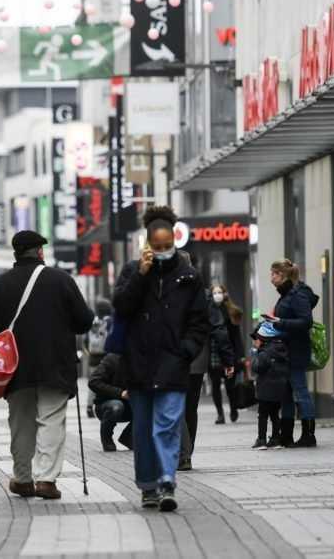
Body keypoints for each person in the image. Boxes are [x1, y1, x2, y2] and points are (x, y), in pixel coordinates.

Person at [0, 230, 94, 500]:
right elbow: (84, 321)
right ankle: (46, 480)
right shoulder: (61, 280)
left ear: (16, 253)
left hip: (15, 368)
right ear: (40, 252)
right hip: (56, 364)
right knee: (51, 419)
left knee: (21, 423)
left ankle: (23, 479)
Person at [112, 206, 210, 512]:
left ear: (175, 240)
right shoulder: (132, 271)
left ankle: (167, 481)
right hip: (139, 364)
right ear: (148, 242)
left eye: (168, 245)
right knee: (143, 430)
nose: (163, 250)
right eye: (158, 245)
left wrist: (186, 351)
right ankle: (148, 487)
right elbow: (121, 307)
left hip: (173, 363)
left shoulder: (188, 276)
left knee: (167, 425)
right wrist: (140, 276)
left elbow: (200, 320)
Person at [178, 271, 235, 471]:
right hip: (197, 359)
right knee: (190, 408)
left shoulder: (165, 289)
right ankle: (187, 453)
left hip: (174, 359)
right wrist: (228, 359)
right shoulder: (203, 295)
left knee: (175, 406)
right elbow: (219, 328)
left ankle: (183, 454)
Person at [262, 259, 320, 448]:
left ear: (283, 275)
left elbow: (306, 321)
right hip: (285, 352)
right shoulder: (286, 295)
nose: (271, 278)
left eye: (274, 274)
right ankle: (286, 435)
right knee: (286, 393)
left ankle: (308, 435)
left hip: (296, 351)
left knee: (300, 391)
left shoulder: (297, 295)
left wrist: (279, 322)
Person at [208, 284, 245, 424]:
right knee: (215, 385)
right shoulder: (208, 311)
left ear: (224, 294)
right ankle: (220, 414)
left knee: (230, 385)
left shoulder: (230, 311)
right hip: (213, 353)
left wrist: (240, 355)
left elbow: (236, 336)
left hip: (229, 353)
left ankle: (233, 408)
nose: (217, 295)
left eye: (219, 292)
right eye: (214, 293)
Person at [250, 322, 289, 449]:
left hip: (265, 389)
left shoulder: (264, 353)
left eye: (257, 339)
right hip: (279, 389)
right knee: (275, 414)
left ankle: (261, 440)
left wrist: (255, 355)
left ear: (264, 339)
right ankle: (276, 439)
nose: (255, 341)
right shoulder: (282, 349)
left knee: (263, 415)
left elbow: (257, 367)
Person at [88, 352, 133, 452]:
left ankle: (128, 437)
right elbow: (93, 381)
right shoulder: (112, 358)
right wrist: (120, 393)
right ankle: (107, 438)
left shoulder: (141, 360)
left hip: (130, 405)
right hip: (106, 405)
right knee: (116, 406)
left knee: (149, 407)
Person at [85, 299, 112, 418]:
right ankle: (104, 404)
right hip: (105, 356)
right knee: (106, 381)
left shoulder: (92, 322)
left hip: (93, 357)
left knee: (93, 382)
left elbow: (86, 340)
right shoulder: (109, 321)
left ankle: (89, 406)